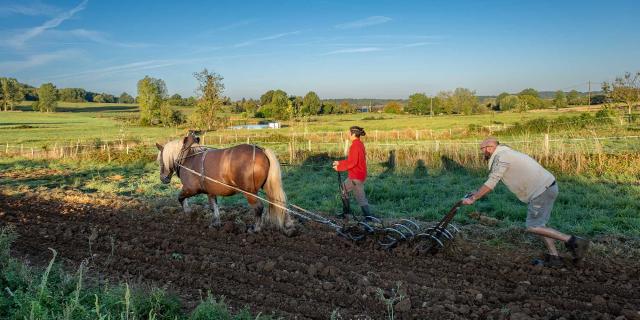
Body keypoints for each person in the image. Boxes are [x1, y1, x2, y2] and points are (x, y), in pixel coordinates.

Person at [462, 137, 589, 266]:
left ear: (489, 147)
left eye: (482, 149)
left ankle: (574, 241)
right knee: (540, 225)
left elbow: (492, 182)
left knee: (533, 227)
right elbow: (494, 178)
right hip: (545, 187)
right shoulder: (506, 153)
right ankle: (554, 257)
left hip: (541, 191)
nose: (482, 152)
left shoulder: (502, 157)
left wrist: (473, 198)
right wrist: (477, 192)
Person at [332, 126, 375, 220]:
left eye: (349, 133)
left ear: (354, 134)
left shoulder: (355, 146)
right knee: (344, 188)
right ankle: (347, 213)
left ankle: (368, 218)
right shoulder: (359, 144)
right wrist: (339, 162)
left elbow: (353, 162)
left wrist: (339, 167)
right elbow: (352, 160)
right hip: (357, 175)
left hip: (356, 176)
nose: (348, 135)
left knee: (360, 197)